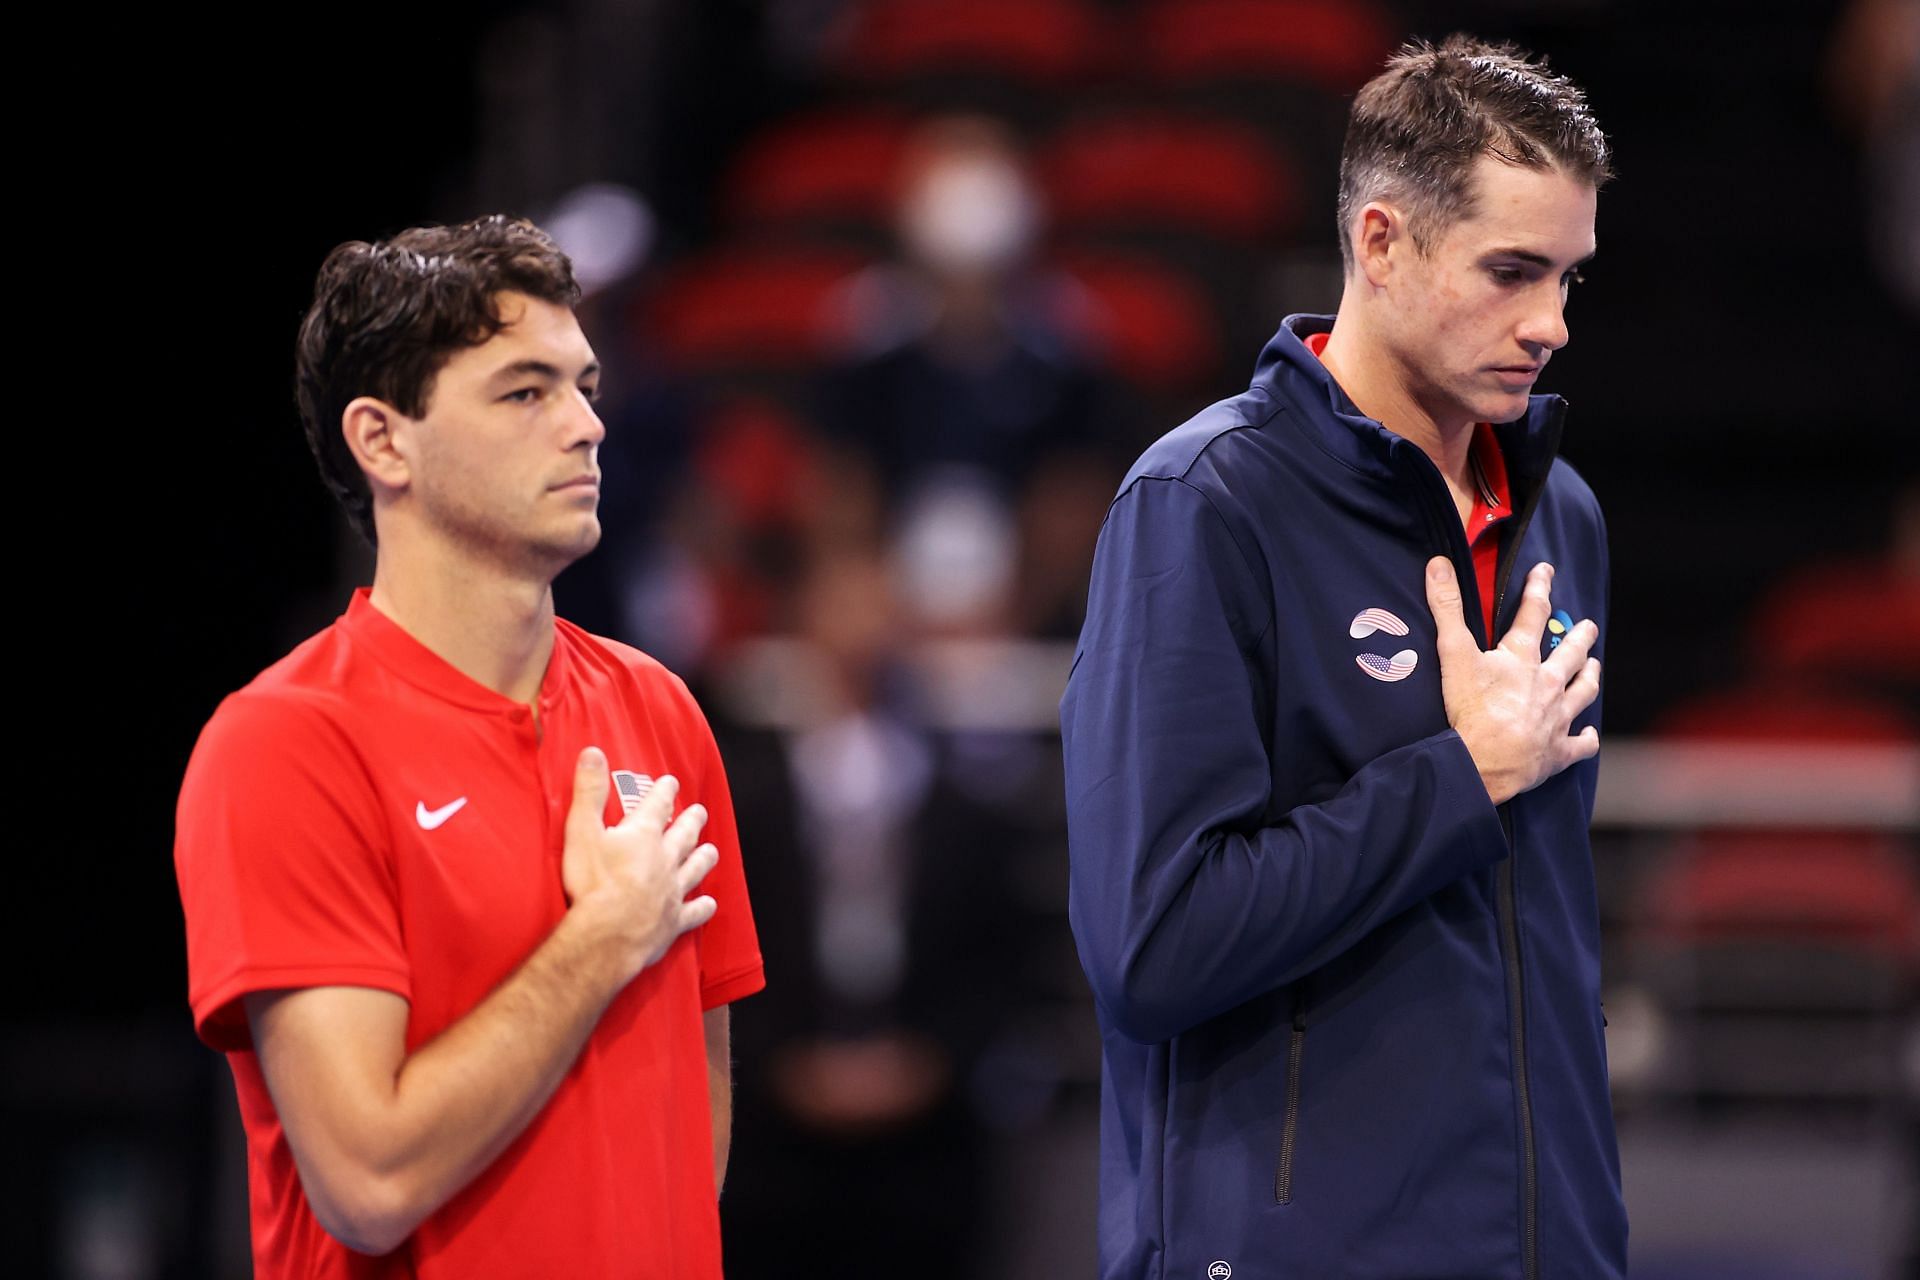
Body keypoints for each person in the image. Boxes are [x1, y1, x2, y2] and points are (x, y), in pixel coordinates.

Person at [1061, 35, 1625, 1280]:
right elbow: (1154, 948)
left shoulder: (1558, 514)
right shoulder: (1204, 503)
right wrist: (1461, 777)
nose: (1550, 325)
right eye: (1512, 271)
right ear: (1381, 242)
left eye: (1572, 279)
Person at [173, 216, 764, 1278]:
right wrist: (604, 939)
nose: (586, 424)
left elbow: (695, 1108)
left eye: (584, 384)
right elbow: (368, 1181)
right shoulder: (285, 742)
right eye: (525, 390)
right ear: (383, 439)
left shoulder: (663, 710)